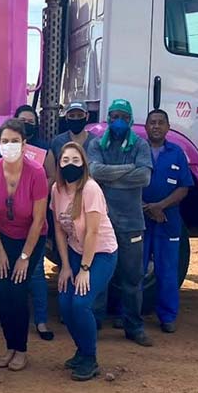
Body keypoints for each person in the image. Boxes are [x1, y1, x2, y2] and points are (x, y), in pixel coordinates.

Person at [0, 119, 49, 371]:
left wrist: (24, 257)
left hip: (31, 238)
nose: (9, 146)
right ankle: (9, 345)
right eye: (4, 141)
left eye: (15, 141)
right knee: (3, 294)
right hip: (4, 237)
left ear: (24, 143)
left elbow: (39, 218)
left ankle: (21, 349)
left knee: (18, 292)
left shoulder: (36, 172)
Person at [88, 99, 153, 347]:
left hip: (131, 223)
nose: (118, 121)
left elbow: (144, 177)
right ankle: (93, 324)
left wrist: (110, 176)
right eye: (114, 116)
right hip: (102, 223)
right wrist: (128, 171)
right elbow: (93, 172)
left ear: (130, 119)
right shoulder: (96, 144)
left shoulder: (141, 145)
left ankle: (133, 327)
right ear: (108, 118)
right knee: (99, 277)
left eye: (123, 117)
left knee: (132, 279)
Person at [51, 142, 119, 381]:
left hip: (101, 254)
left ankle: (90, 358)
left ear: (84, 164)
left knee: (80, 304)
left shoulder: (91, 189)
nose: (70, 165)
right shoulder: (56, 190)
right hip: (74, 252)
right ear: (59, 164)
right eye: (65, 161)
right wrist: (66, 267)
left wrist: (85, 269)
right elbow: (59, 229)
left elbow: (92, 232)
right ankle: (81, 350)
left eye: (75, 161)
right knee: (64, 304)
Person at [142, 108, 193, 334]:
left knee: (168, 270)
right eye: (152, 122)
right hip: (140, 220)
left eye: (160, 122)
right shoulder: (137, 150)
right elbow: (127, 184)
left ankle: (167, 316)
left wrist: (160, 206)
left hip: (168, 220)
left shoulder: (177, 153)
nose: (156, 126)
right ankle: (128, 315)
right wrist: (147, 208)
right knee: (134, 270)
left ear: (168, 127)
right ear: (145, 127)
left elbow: (184, 188)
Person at [11, 104, 53, 341]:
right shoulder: (4, 148)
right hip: (7, 223)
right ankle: (16, 321)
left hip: (33, 218)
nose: (26, 124)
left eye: (30, 121)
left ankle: (41, 320)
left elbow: (52, 176)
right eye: (21, 120)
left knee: (35, 273)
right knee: (9, 275)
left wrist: (31, 188)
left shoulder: (44, 149)